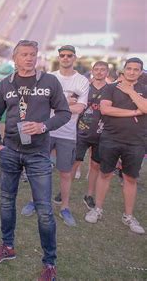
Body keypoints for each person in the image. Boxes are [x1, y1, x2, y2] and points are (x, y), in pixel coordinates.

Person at [0, 40, 71, 281]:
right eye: (24, 54)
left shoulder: (49, 82)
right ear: (15, 58)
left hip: (38, 154)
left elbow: (64, 112)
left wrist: (44, 125)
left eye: (33, 54)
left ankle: (49, 264)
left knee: (44, 209)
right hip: (10, 151)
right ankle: (7, 246)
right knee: (6, 201)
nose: (29, 58)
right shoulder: (6, 84)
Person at [22, 45, 89, 226]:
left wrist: (55, 105)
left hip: (67, 133)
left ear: (74, 57)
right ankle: (34, 201)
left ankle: (64, 207)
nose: (65, 58)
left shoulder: (82, 81)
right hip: (46, 130)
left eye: (69, 55)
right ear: (58, 57)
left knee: (65, 173)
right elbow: (40, 104)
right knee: (38, 168)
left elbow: (80, 108)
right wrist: (66, 103)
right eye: (62, 55)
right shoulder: (48, 78)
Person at [85, 57, 146, 234]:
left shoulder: (144, 89)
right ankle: (97, 209)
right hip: (111, 138)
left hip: (136, 141)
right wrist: (135, 111)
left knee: (131, 178)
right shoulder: (110, 88)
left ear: (141, 72)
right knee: (105, 174)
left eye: (136, 69)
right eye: (129, 69)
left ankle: (128, 216)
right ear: (123, 70)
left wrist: (131, 92)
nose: (132, 72)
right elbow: (106, 109)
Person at [73, 61, 108, 209]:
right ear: (92, 71)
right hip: (81, 131)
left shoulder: (111, 90)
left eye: (103, 70)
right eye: (97, 69)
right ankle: (64, 191)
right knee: (74, 162)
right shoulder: (85, 87)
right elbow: (72, 101)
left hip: (102, 133)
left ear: (107, 72)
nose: (99, 72)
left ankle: (89, 195)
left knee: (95, 165)